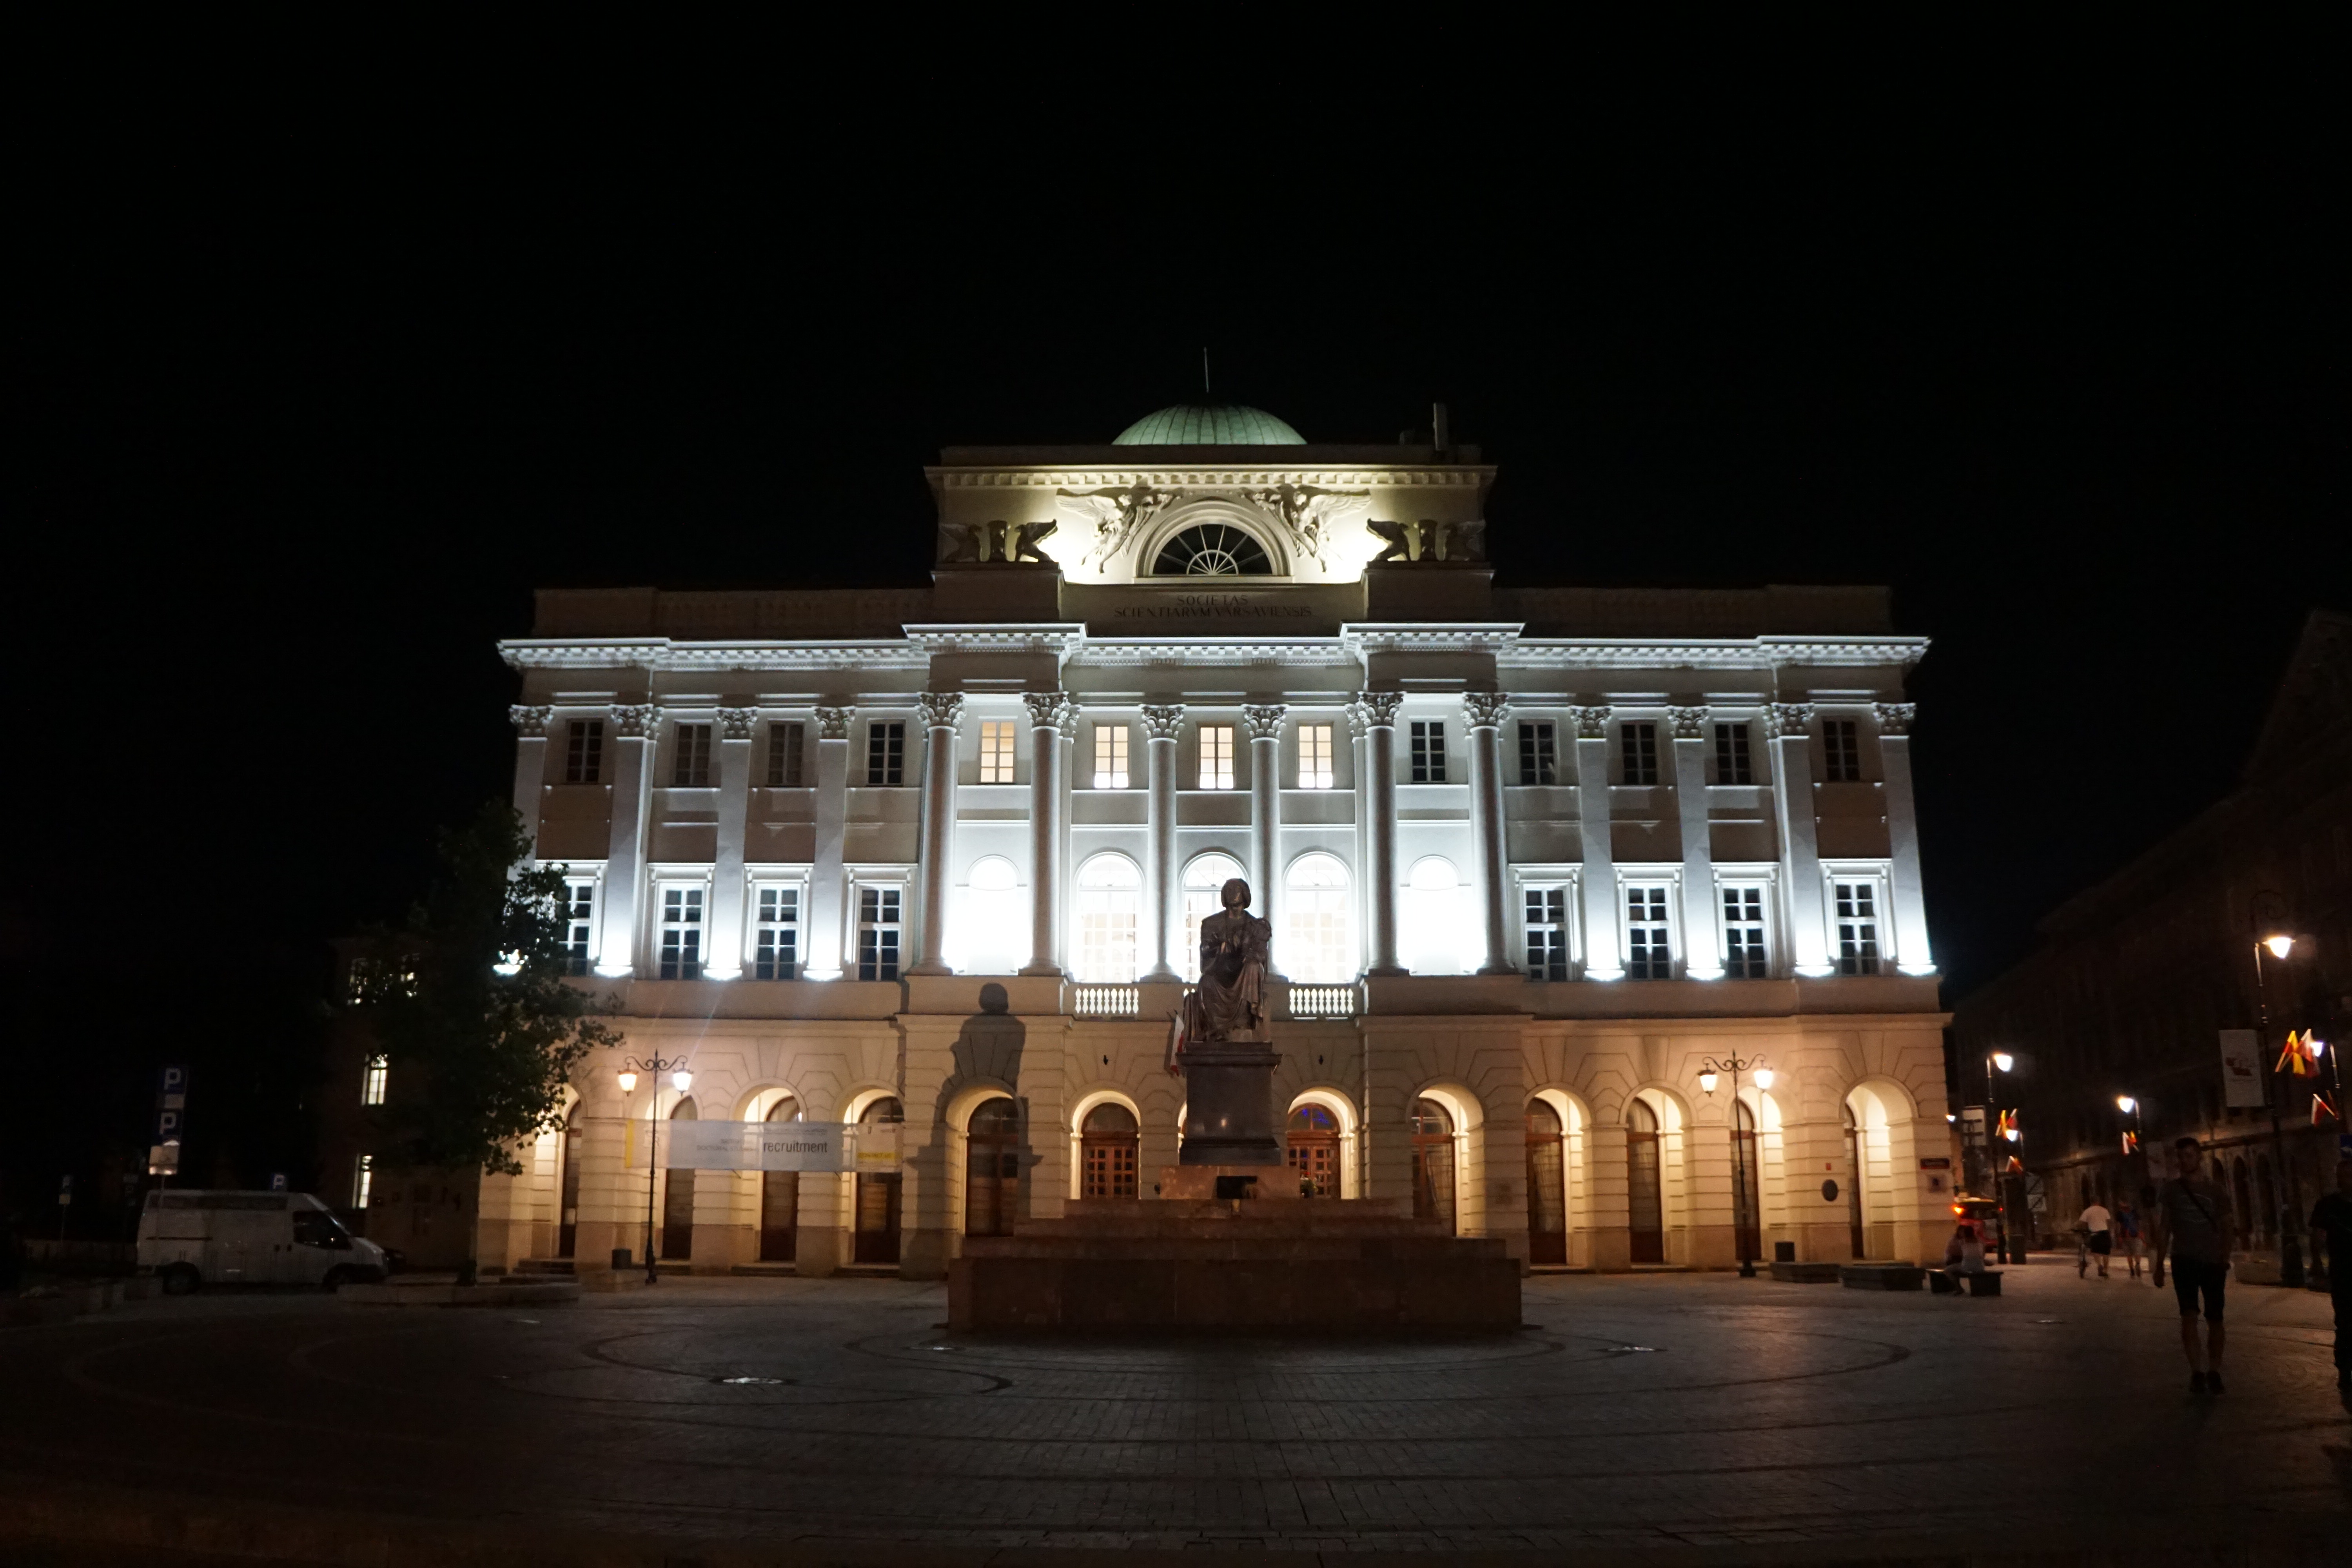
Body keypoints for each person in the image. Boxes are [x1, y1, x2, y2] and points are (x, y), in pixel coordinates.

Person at [2150, 1136, 2235, 1395]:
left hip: (2212, 1261)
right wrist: (2159, 1264)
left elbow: (2228, 1225)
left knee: (2215, 1318)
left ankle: (2215, 1370)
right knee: (2188, 1316)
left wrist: (2224, 1257)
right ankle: (2197, 1372)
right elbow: (2165, 1227)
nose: (2184, 1161)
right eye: (2181, 1157)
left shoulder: (2216, 1191)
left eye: (2189, 1155)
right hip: (2183, 1259)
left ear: (2199, 1157)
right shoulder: (2171, 1190)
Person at [2307, 1154, 2352, 1392]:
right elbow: (2318, 1237)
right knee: (2346, 1323)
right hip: (2343, 1273)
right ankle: (2346, 1370)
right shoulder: (2328, 1206)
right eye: (2344, 1176)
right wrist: (2318, 1266)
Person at [2077, 1198, 2114, 1278]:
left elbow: (2081, 1222)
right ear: (2099, 1202)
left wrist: (2078, 1227)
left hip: (2095, 1234)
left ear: (2092, 1203)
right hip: (2105, 1233)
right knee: (2106, 1253)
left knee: (2095, 1251)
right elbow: (2109, 1222)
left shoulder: (2088, 1211)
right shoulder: (2105, 1210)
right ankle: (2105, 1271)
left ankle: (2100, 1265)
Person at [2114, 1198, 2145, 1281]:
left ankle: (2132, 1271)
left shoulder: (2119, 1214)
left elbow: (2118, 1226)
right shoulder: (2135, 1212)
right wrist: (2141, 1233)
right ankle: (2138, 1264)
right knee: (2137, 1252)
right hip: (2136, 1235)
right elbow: (2140, 1223)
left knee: (2129, 1254)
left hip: (2125, 1236)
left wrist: (2119, 1236)